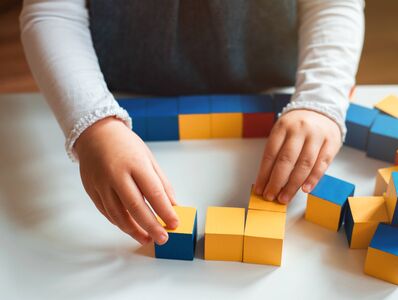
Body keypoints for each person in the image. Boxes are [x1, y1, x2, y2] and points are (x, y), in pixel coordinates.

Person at [20, 0, 364, 246]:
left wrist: (321, 100)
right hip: (114, 90)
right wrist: (93, 124)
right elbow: (51, 11)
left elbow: (335, 5)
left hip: (272, 87)